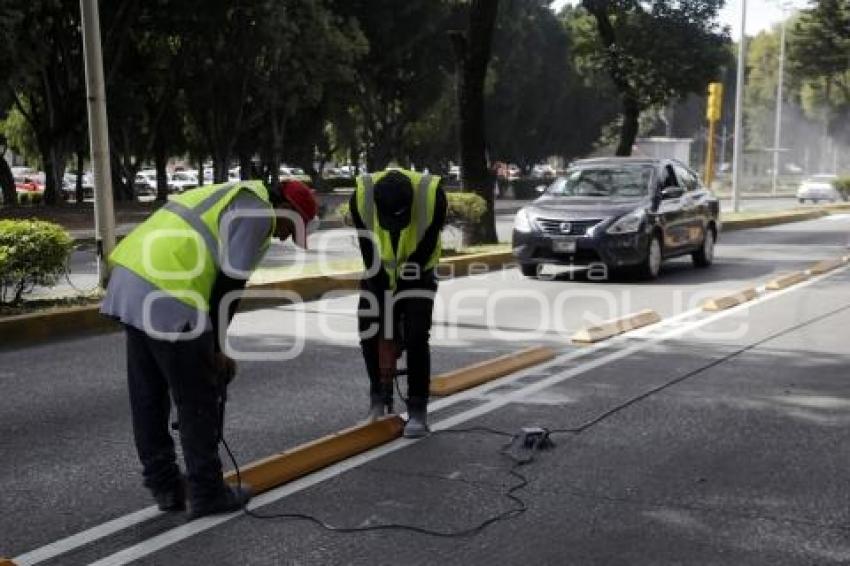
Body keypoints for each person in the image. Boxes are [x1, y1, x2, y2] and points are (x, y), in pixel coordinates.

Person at [101, 179, 318, 519]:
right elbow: (229, 285)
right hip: (170, 291)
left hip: (131, 280)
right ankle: (207, 491)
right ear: (287, 208)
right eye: (294, 228)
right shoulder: (258, 213)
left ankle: (166, 487)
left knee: (149, 396)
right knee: (198, 396)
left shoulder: (230, 195)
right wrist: (216, 349)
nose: (287, 237)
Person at [350, 168, 447, 438]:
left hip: (419, 271)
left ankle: (418, 410)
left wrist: (397, 306)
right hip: (378, 271)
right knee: (369, 330)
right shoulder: (360, 196)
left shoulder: (433, 195)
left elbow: (426, 245)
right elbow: (367, 248)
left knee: (416, 336)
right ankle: (379, 400)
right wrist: (385, 319)